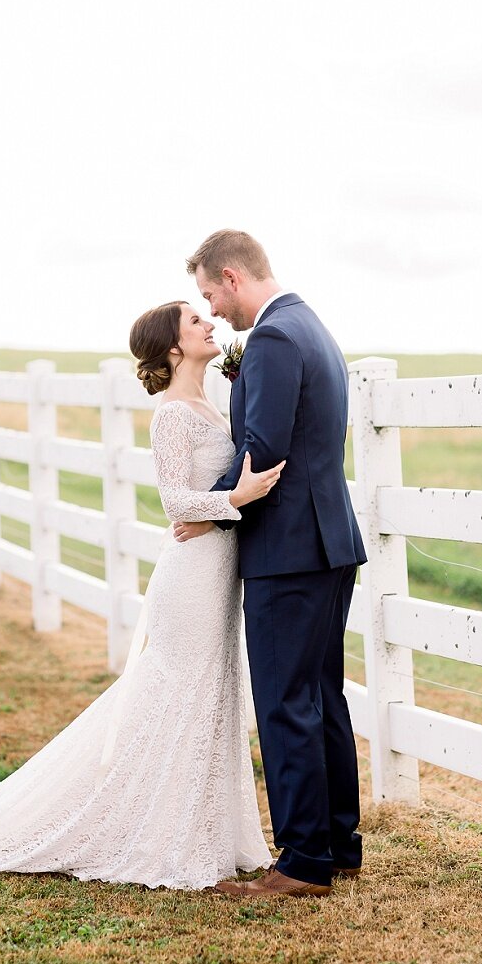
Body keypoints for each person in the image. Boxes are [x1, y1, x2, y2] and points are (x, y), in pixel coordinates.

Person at [0, 301, 284, 889]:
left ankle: (211, 835)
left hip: (219, 572)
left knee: (215, 697)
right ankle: (166, 841)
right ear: (173, 347)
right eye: (196, 322)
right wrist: (236, 499)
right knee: (184, 698)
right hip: (190, 577)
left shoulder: (209, 404)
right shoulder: (171, 415)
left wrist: (226, 503)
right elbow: (174, 504)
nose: (209, 325)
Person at [171, 229, 368, 900]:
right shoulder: (307, 325)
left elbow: (265, 448)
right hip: (327, 544)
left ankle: (304, 862)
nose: (214, 311)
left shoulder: (277, 338)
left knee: (286, 701)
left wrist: (211, 506)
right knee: (320, 696)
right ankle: (338, 843)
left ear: (231, 277)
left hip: (291, 549)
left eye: (208, 296)